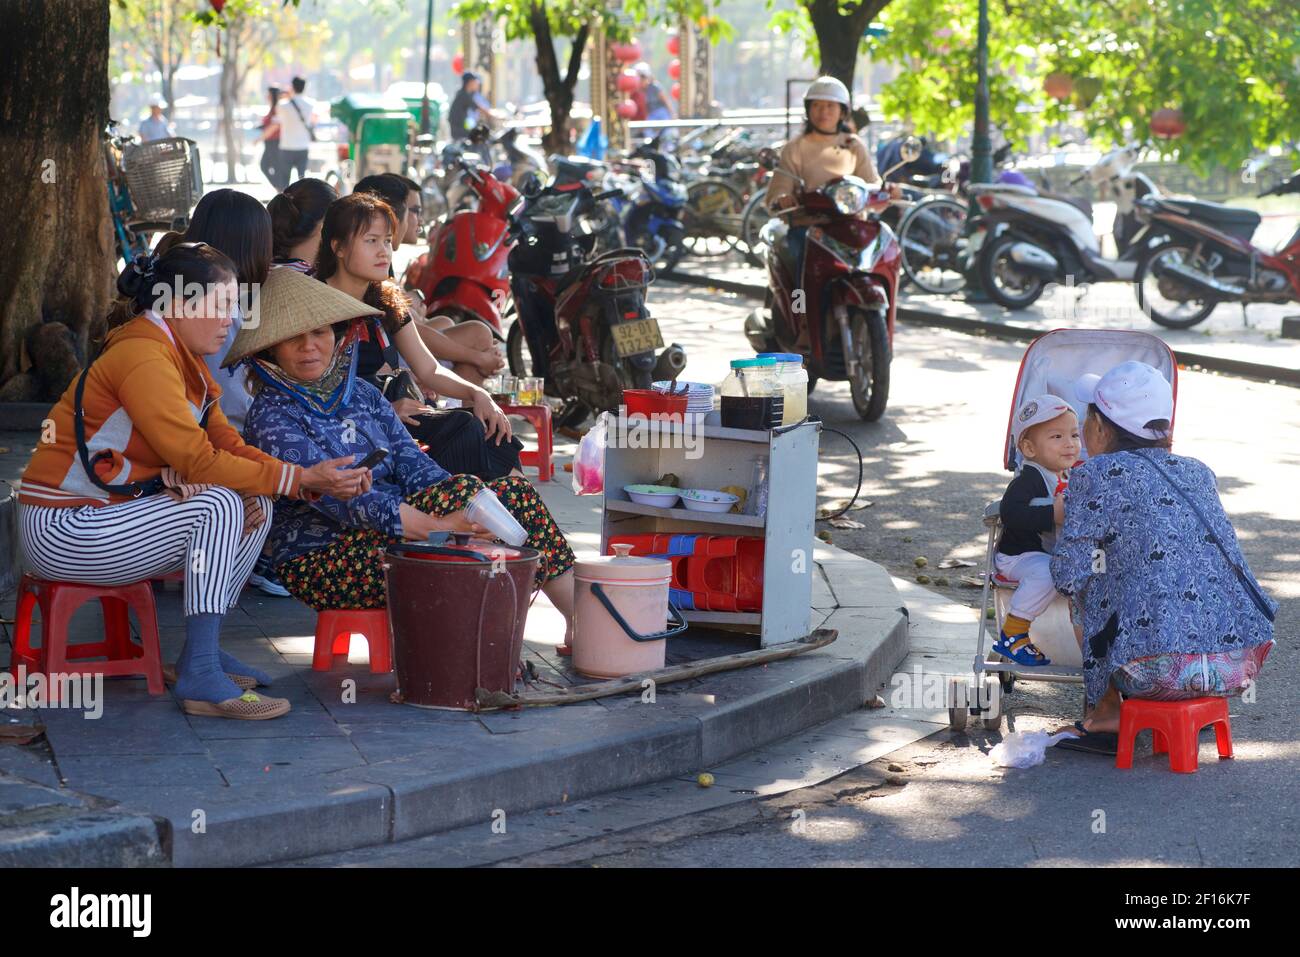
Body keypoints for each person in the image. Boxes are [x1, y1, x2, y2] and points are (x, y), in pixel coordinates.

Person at [18, 244, 370, 720]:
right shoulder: (144, 355)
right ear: (181, 306)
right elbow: (197, 459)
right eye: (222, 306)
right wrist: (299, 476)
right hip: (61, 529)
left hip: (102, 518)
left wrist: (303, 481)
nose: (232, 320)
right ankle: (201, 677)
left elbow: (225, 444)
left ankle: (199, 656)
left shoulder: (184, 360)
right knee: (220, 504)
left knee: (254, 505)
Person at [235, 268, 577, 647]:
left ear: (338, 335)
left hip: (394, 529)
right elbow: (346, 501)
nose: (309, 347)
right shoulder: (272, 415)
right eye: (292, 339)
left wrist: (463, 507)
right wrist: (438, 526)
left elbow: (415, 466)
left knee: (514, 496)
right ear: (271, 349)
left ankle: (579, 620)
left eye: (318, 333)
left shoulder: (363, 394)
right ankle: (476, 651)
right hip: (324, 559)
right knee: (469, 507)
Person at [1049, 361, 1275, 753]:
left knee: (1085, 584)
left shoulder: (1096, 473)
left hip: (1155, 672)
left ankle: (1107, 715)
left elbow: (1068, 575)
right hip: (1236, 666)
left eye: (1087, 418)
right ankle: (1186, 703)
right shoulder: (1198, 471)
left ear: (1101, 427)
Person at [317, 191, 523, 480]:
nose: (383, 252)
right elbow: (311, 391)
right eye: (371, 241)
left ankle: (514, 517)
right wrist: (383, 411)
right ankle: (476, 515)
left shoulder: (385, 301)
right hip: (352, 429)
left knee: (494, 432)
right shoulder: (316, 304)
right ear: (338, 247)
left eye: (387, 241)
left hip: (400, 417)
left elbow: (429, 368)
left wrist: (478, 394)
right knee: (466, 430)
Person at [350, 175, 502, 385]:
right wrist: (478, 357)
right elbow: (409, 336)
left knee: (455, 328)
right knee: (478, 336)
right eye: (415, 210)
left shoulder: (378, 270)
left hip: (390, 364)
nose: (420, 220)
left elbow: (411, 334)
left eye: (385, 241)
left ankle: (465, 408)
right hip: (378, 374)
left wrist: (476, 393)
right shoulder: (364, 275)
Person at [764, 76, 898, 283]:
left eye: (830, 106)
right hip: (808, 228)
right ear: (808, 110)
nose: (823, 112)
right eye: (816, 105)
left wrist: (885, 191)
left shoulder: (853, 145)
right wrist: (783, 198)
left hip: (851, 227)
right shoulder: (795, 147)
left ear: (842, 111)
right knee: (800, 272)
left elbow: (871, 183)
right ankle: (799, 311)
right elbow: (780, 187)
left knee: (881, 260)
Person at [993, 395, 1080, 667]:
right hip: (1018, 556)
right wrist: (1051, 514)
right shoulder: (1029, 479)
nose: (1069, 443)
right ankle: (1014, 632)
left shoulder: (1067, 477)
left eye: (1074, 435)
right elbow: (1010, 513)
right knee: (1049, 570)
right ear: (1029, 448)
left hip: (1047, 554)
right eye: (1056, 437)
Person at [182, 189, 273, 436]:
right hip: (217, 436)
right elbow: (230, 397)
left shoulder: (183, 287)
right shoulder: (219, 305)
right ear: (251, 245)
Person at [275, 76, 314, 188]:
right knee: (302, 179)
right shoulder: (310, 104)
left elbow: (278, 118)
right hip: (303, 146)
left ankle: (284, 202)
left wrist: (286, 96)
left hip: (286, 145)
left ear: (292, 87)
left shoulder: (283, 105)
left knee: (284, 179)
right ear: (304, 87)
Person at [447, 72, 492, 141]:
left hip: (461, 128)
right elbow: (479, 108)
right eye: (475, 82)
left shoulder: (464, 93)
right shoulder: (464, 95)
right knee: (481, 137)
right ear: (470, 82)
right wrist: (492, 116)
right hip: (459, 130)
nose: (477, 85)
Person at [257, 86, 282, 190]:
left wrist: (259, 139)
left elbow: (275, 126)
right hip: (269, 142)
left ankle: (281, 189)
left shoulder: (277, 109)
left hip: (274, 142)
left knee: (267, 166)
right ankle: (280, 189)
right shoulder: (272, 109)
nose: (266, 96)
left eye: (268, 94)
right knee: (267, 166)